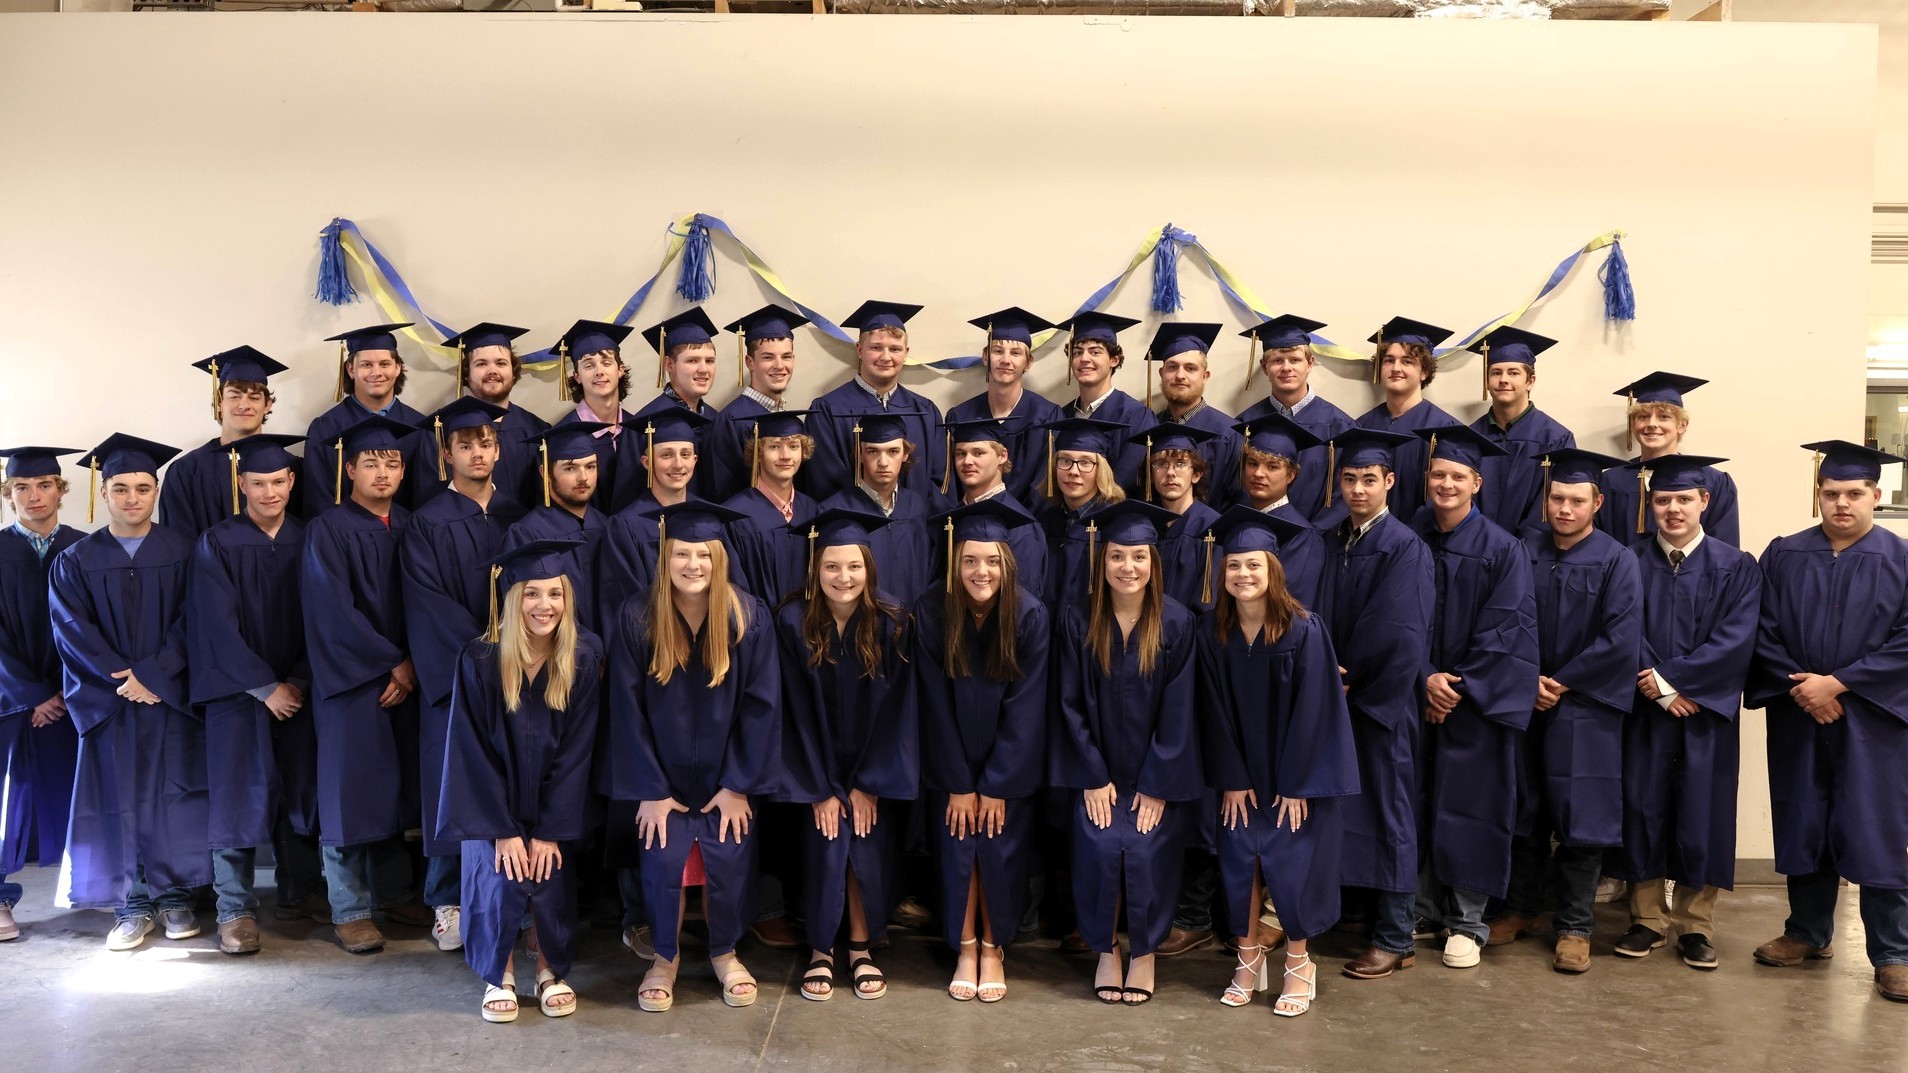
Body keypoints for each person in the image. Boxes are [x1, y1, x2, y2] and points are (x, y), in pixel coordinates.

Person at [1747, 440, 1908, 1003]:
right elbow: (1759, 629)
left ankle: (1893, 952)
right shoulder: (1784, 553)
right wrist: (1805, 688)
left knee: (1877, 827)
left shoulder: (1902, 558)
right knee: (1804, 817)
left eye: (1854, 493)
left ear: (1876, 496)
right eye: (1832, 492)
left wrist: (1838, 683)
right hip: (1799, 711)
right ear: (1818, 495)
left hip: (1874, 717)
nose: (1842, 503)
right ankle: (1807, 934)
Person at [607, 502, 780, 1012]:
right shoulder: (639, 615)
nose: (693, 564)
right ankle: (665, 956)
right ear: (666, 557)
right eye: (681, 553)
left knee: (727, 860)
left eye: (703, 554)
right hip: (661, 780)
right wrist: (651, 790)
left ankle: (725, 952)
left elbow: (762, 705)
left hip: (727, 779)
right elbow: (626, 707)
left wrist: (737, 785)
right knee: (664, 862)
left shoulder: (747, 616)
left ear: (719, 558)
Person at [49, 434, 207, 950]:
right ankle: (132, 902)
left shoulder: (186, 551)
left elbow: (198, 622)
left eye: (143, 487)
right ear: (105, 491)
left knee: (175, 795)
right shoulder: (76, 559)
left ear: (156, 491)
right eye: (121, 488)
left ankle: (175, 895)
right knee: (116, 798)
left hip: (169, 698)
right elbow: (71, 630)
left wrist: (156, 677)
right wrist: (125, 680)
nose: (132, 498)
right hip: (110, 701)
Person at [1199, 506, 1359, 1016]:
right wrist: (1230, 776)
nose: (1243, 575)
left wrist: (1297, 783)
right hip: (1241, 775)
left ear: (1273, 571)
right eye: (1233, 566)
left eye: (1254, 566)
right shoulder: (1213, 633)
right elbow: (1210, 710)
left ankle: (1298, 963)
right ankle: (1247, 960)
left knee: (1292, 869)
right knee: (1240, 863)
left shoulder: (1305, 631)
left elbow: (1318, 710)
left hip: (1294, 776)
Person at [1606, 454, 1759, 970]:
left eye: (1684, 499)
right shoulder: (1627, 559)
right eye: (1664, 499)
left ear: (1704, 502)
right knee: (1643, 806)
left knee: (1703, 811)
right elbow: (1622, 629)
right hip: (1648, 709)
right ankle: (1647, 918)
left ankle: (1696, 924)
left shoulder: (1737, 566)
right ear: (1651, 504)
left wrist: (1677, 682)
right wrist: (1661, 689)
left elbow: (1737, 639)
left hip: (1705, 714)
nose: (1673, 509)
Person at [439, 538, 603, 1023]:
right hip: (491, 806)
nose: (544, 605)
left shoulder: (582, 660)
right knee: (497, 871)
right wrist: (504, 830)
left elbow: (579, 752)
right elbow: (469, 751)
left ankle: (550, 970)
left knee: (551, 871)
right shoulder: (480, 659)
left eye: (554, 594)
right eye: (532, 594)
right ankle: (500, 974)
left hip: (554, 802)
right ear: (512, 598)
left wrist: (550, 830)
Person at [1490, 449, 1640, 974]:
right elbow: (1501, 618)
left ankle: (1575, 927)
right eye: (1557, 498)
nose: (1565, 508)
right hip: (1523, 699)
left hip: (1585, 705)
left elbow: (1620, 638)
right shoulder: (1520, 548)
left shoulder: (1618, 558)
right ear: (1546, 498)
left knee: (1583, 816)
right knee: (1523, 809)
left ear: (1597, 502)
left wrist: (1561, 681)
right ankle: (1520, 908)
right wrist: (1524, 678)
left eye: (1577, 500)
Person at [1051, 500, 1202, 1005]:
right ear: (1103, 560)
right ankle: (1106, 950)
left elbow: (1180, 712)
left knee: (1145, 850)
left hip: (1155, 777)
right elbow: (1067, 702)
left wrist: (1158, 784)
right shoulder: (1077, 621)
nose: (1128, 567)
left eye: (1138, 557)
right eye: (1117, 556)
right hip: (1096, 774)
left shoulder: (1177, 624)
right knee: (1097, 847)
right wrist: (1091, 776)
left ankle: (1144, 952)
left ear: (1153, 563)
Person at [403, 396, 531, 953]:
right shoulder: (427, 522)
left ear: (498, 449)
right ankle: (447, 900)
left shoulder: (520, 514)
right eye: (465, 445)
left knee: (513, 784)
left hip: (522, 673)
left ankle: (518, 901)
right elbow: (426, 602)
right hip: (459, 676)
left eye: (486, 443)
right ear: (446, 453)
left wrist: (521, 655)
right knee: (451, 784)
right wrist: (486, 654)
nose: (477, 452)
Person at [190, 433, 326, 956]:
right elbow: (214, 625)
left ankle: (299, 893)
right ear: (240, 484)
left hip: (298, 689)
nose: (268, 492)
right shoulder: (218, 542)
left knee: (300, 790)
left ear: (291, 482)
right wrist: (266, 686)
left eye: (277, 481)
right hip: (237, 692)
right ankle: (235, 909)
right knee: (237, 794)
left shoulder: (311, 538)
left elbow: (323, 618)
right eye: (258, 483)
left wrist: (299, 680)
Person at [1410, 425, 1540, 970]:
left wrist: (1452, 685)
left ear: (1477, 483)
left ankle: (1467, 920)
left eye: (1457, 476)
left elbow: (1507, 629)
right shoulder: (1410, 534)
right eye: (1438, 474)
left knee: (1471, 806)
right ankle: (1422, 909)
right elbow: (1394, 619)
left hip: (1474, 703)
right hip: (1417, 695)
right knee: (1414, 802)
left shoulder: (1502, 549)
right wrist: (1422, 676)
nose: (1446, 483)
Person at [777, 508, 919, 1001]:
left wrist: (867, 785)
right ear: (816, 571)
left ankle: (860, 946)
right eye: (832, 566)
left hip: (870, 769)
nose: (844, 577)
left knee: (863, 842)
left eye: (854, 566)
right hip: (813, 769)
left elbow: (902, 709)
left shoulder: (894, 621)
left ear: (870, 568)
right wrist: (819, 789)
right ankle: (820, 949)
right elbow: (789, 712)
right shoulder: (792, 622)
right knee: (824, 841)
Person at [912, 501, 1051, 1002]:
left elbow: (1026, 708)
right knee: (956, 852)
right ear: (955, 562)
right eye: (970, 560)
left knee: (997, 851)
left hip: (1006, 771)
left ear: (1007, 562)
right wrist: (958, 784)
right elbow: (931, 701)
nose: (981, 571)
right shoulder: (931, 610)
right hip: (950, 767)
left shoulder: (1030, 614)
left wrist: (994, 785)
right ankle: (965, 946)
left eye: (992, 560)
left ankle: (993, 947)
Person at [301, 414, 430, 953]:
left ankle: (396, 893)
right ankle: (349, 907)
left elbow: (431, 603)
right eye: (370, 463)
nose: (382, 472)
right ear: (348, 469)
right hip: (354, 682)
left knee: (400, 790)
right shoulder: (328, 528)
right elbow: (332, 609)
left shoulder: (415, 524)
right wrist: (389, 663)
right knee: (348, 792)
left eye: (392, 462)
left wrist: (416, 663)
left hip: (411, 677)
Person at [1311, 429, 1436, 982]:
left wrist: (1350, 680)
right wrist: (1321, 669)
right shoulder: (1333, 538)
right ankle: (1340, 917)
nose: (1357, 489)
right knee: (1337, 810)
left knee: (1390, 814)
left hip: (1382, 703)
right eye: (1350, 479)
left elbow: (1400, 629)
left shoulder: (1405, 545)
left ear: (1390, 481)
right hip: (1335, 696)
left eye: (1369, 480)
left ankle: (1394, 935)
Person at [0, 446, 84, 942]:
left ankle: (103, 890)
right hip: (11, 700)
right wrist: (34, 694)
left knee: (85, 793)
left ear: (60, 490)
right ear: (9, 495)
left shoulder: (85, 548)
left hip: (73, 698)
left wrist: (65, 691)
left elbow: (95, 631)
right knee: (7, 801)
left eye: (45, 485)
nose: (34, 496)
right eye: (22, 488)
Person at [599, 404, 731, 618]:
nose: (678, 464)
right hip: (653, 639)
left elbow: (729, 586)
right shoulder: (626, 526)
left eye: (686, 454)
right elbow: (626, 604)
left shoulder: (710, 516)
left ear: (695, 461)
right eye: (667, 455)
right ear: (647, 462)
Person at [805, 301, 945, 500]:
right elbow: (824, 480)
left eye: (895, 349)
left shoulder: (925, 411)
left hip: (915, 527)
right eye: (876, 348)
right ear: (860, 350)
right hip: (853, 527)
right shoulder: (827, 410)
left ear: (906, 353)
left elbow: (938, 481)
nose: (886, 357)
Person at [304, 323, 434, 518]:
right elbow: (319, 499)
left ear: (397, 367)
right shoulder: (325, 428)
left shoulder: (420, 427)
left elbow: (427, 497)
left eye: (384, 364)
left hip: (407, 537)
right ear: (350, 369)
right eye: (366, 365)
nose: (376, 373)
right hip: (344, 540)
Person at [161, 345, 289, 540]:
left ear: (267, 405)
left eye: (254, 397)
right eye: (234, 396)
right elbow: (178, 544)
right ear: (219, 402)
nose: (244, 405)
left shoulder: (288, 467)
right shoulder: (187, 471)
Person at [1598, 372, 1740, 548]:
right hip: (1625, 575)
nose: (1652, 424)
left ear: (1682, 425)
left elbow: (1724, 555)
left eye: (1664, 416)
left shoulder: (1715, 482)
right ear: (1634, 424)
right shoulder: (1610, 481)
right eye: (1643, 417)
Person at [942, 307, 1065, 506]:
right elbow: (953, 488)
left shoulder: (1047, 417)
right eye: (997, 351)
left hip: (1028, 526)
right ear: (985, 357)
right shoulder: (960, 416)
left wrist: (1020, 527)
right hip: (971, 524)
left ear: (1028, 362)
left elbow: (1044, 487)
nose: (1005, 360)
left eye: (1015, 353)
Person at [1237, 314, 1351, 522]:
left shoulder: (1340, 426)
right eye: (1278, 361)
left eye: (1295, 360)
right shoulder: (1244, 425)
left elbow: (1344, 494)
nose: (1286, 368)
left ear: (1309, 364)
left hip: (1317, 542)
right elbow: (1235, 490)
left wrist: (1311, 538)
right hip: (1256, 542)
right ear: (1265, 367)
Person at [817, 412, 936, 612]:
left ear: (905, 454)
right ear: (860, 454)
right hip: (859, 626)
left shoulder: (920, 508)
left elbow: (933, 573)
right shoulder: (834, 510)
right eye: (873, 451)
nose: (883, 462)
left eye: (893, 451)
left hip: (913, 624)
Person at [1466, 327, 1575, 537]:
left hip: (1531, 553)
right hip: (1475, 547)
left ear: (1530, 381)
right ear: (1487, 380)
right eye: (1496, 372)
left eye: (1513, 373)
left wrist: (1519, 551)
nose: (1503, 379)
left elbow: (1555, 501)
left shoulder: (1556, 438)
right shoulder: (1472, 436)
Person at [507, 423, 613, 638]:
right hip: (559, 655)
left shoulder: (609, 527)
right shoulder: (526, 534)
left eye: (590, 467)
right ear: (545, 472)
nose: (583, 477)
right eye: (570, 468)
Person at [1353, 316, 1457, 523]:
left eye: (1407, 361)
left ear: (1424, 372)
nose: (1396, 368)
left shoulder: (1446, 430)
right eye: (1389, 360)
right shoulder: (1361, 426)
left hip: (1423, 541)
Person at [933, 418, 1049, 594]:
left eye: (978, 453)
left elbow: (1024, 598)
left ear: (1002, 456)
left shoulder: (1022, 525)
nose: (967, 461)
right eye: (960, 453)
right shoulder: (951, 518)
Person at [709, 304, 810, 504]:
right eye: (768, 357)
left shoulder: (795, 424)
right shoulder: (731, 421)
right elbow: (723, 493)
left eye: (786, 357)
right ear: (750, 362)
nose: (780, 366)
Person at [444, 321, 549, 507]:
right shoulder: (441, 433)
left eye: (501, 363)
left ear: (513, 372)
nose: (492, 371)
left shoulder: (538, 431)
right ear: (466, 374)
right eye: (481, 364)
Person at [722, 409, 821, 608]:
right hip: (758, 631)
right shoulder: (733, 517)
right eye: (774, 446)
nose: (785, 456)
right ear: (758, 453)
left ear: (804, 451)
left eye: (793, 446)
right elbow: (735, 590)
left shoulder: (813, 511)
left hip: (810, 629)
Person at [1054, 312, 1154, 496]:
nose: (1084, 358)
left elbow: (1125, 480)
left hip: (1115, 517)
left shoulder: (1137, 416)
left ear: (1114, 360)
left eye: (1095, 352)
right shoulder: (1061, 416)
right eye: (1077, 352)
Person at [1034, 418, 1129, 613]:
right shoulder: (1044, 523)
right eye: (1065, 461)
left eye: (1085, 462)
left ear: (1101, 469)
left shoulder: (1115, 525)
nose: (1073, 471)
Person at [1233, 413, 1327, 608]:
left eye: (1272, 466)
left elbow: (1294, 605)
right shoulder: (1235, 522)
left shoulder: (1302, 537)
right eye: (1252, 463)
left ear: (1291, 475)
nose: (1258, 473)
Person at [1144, 322, 1242, 509]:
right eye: (1172, 367)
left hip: (1212, 535)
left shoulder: (1229, 434)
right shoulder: (1150, 427)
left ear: (1205, 376)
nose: (1180, 375)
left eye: (1190, 368)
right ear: (1161, 373)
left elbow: (1237, 499)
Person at [550, 318, 643, 513]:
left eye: (606, 363)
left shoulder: (640, 429)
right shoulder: (559, 436)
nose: (599, 372)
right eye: (588, 365)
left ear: (620, 370)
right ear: (577, 376)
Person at [634, 307, 725, 503]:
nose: (703, 369)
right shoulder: (645, 424)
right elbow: (628, 498)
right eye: (692, 361)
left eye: (710, 361)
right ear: (669, 365)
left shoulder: (717, 419)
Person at [1135, 422, 1222, 616]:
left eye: (1180, 464)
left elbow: (1209, 604)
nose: (1170, 473)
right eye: (1161, 464)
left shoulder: (1212, 528)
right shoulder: (1143, 524)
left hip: (1191, 636)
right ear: (1150, 474)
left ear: (1196, 474)